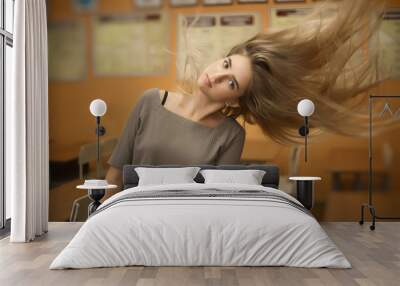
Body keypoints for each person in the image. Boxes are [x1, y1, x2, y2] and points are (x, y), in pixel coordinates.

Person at [104, 0, 394, 199]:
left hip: (184, 222)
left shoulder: (231, 135)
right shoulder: (151, 101)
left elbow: (215, 197)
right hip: (130, 213)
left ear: (238, 98)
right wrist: (103, 213)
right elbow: (115, 170)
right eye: (226, 64)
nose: (217, 75)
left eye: (231, 82)